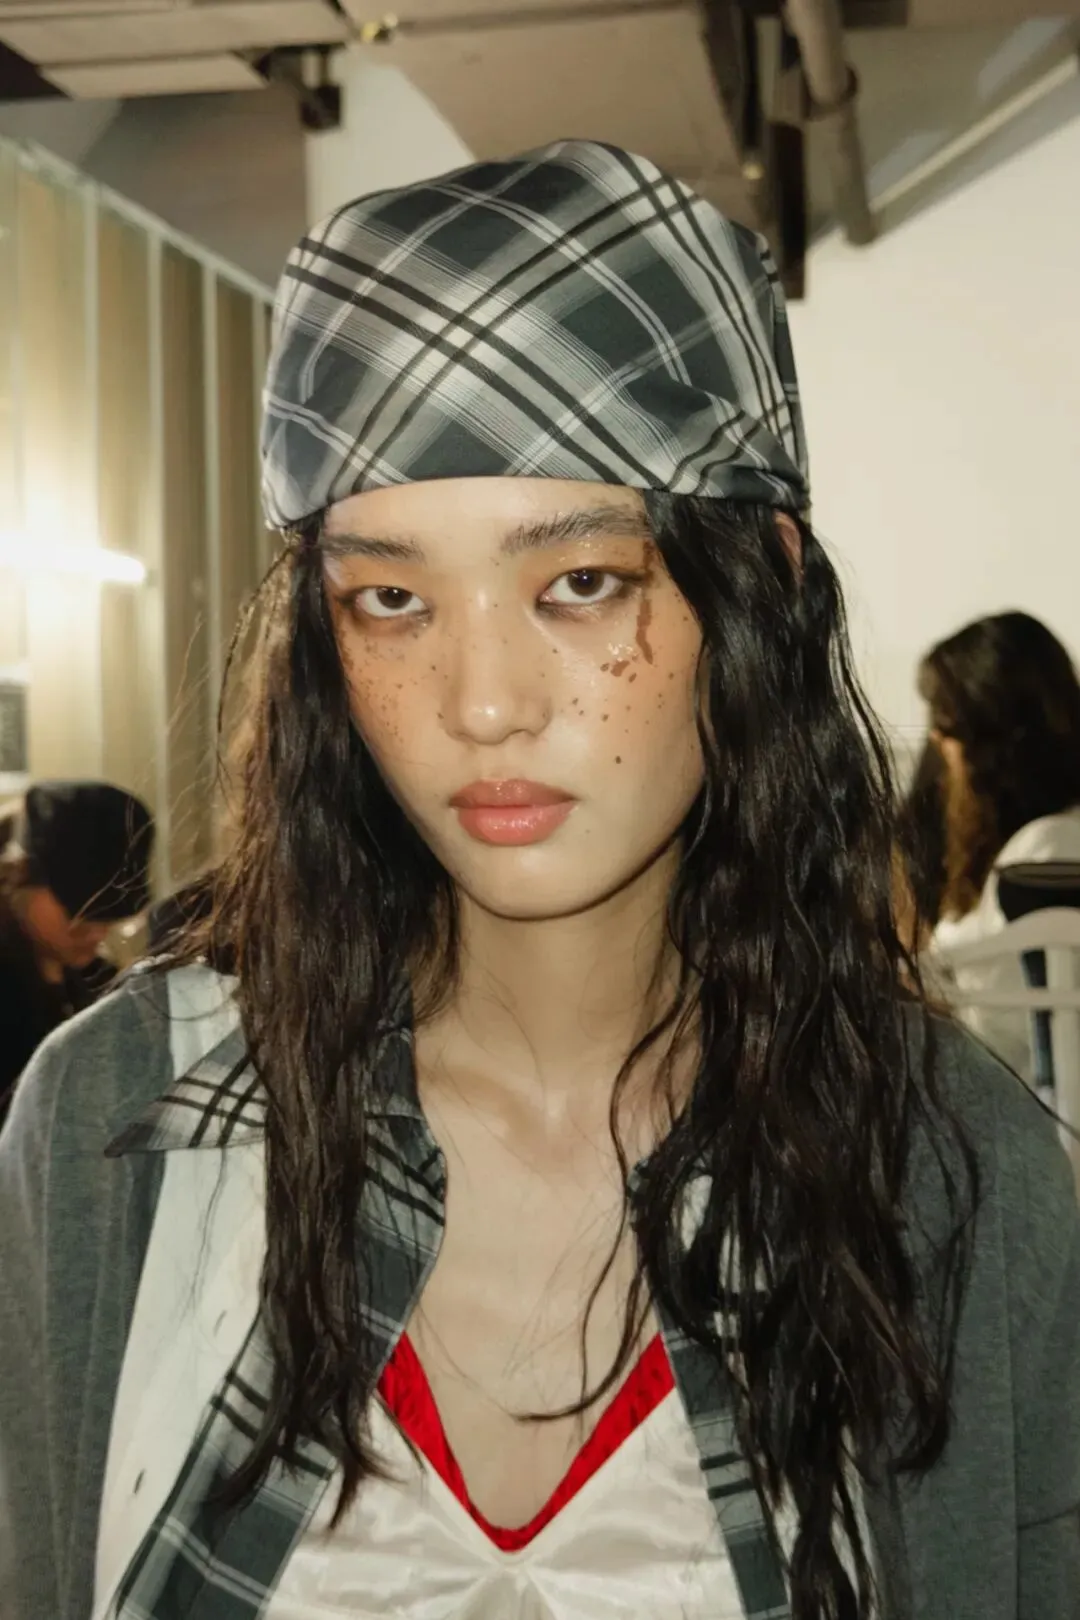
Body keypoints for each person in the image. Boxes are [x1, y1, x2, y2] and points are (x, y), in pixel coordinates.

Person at [1, 143, 1077, 1620]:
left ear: (758, 584)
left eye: (580, 583)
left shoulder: (950, 1170)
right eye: (392, 598)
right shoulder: (120, 1126)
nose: (484, 703)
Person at [902, 612, 1080, 1079]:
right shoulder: (1017, 846)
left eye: (946, 725)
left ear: (989, 740)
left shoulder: (1049, 854)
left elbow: (1010, 1031)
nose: (937, 742)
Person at [0, 780, 154, 1123]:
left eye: (110, 914)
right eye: (78, 910)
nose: (96, 930)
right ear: (17, 874)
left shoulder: (100, 981)